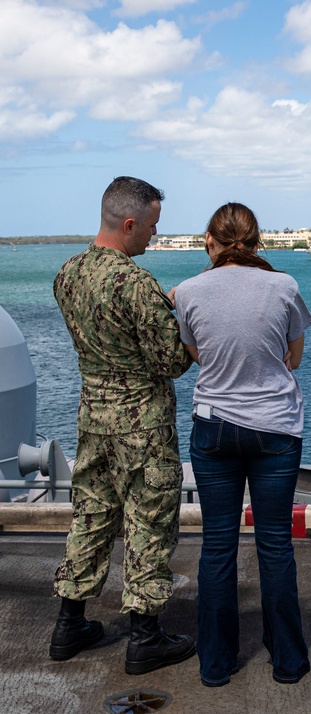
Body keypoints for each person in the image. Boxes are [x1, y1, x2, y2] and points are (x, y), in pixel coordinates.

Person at [50, 176, 196, 674]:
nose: (154, 236)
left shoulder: (67, 274)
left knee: (90, 517)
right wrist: (171, 311)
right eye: (152, 226)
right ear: (129, 223)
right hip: (143, 427)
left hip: (93, 418)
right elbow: (171, 361)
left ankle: (69, 624)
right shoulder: (136, 284)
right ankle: (145, 635)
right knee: (149, 523)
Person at [173, 202, 311, 687]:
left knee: (217, 547)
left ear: (209, 241)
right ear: (258, 243)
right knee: (275, 544)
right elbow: (292, 358)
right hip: (275, 428)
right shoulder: (284, 286)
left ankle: (216, 663)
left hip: (213, 429)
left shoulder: (187, 292)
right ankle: (289, 661)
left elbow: (199, 358)